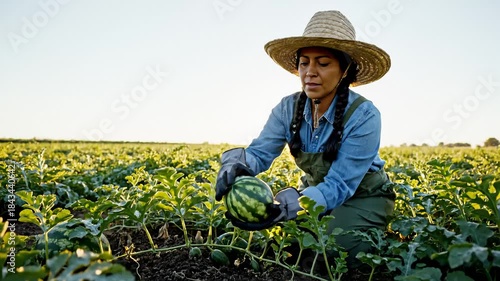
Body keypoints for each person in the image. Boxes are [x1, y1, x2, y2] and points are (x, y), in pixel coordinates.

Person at [215, 10, 396, 267]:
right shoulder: (287, 108)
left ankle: (371, 229)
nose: (310, 72)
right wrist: (236, 165)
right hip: (314, 195)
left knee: (331, 251)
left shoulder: (364, 116)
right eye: (304, 63)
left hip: (363, 197)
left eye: (323, 64)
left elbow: (340, 185)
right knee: (289, 247)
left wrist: (294, 205)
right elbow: (260, 153)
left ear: (344, 70)